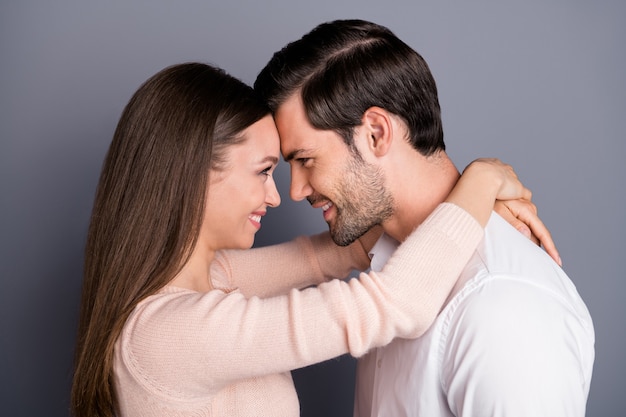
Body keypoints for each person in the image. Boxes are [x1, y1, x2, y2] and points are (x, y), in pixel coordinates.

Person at [70, 62, 546, 417]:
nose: (279, 197)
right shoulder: (169, 332)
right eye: (262, 172)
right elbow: (395, 304)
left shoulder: (212, 280)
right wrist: (482, 179)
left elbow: (334, 254)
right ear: (191, 177)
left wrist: (466, 204)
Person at [250, 19, 595, 417]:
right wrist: (479, 182)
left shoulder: (502, 306)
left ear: (376, 133)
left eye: (306, 159)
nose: (294, 191)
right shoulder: (390, 269)